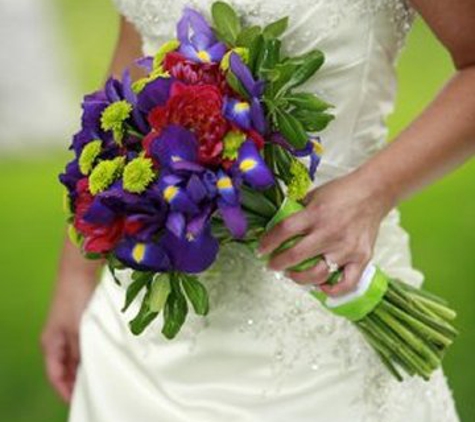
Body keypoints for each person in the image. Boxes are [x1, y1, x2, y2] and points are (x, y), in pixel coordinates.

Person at [41, 0, 475, 421]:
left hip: (322, 305)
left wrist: (374, 191)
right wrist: (75, 270)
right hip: (138, 336)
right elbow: (134, 62)